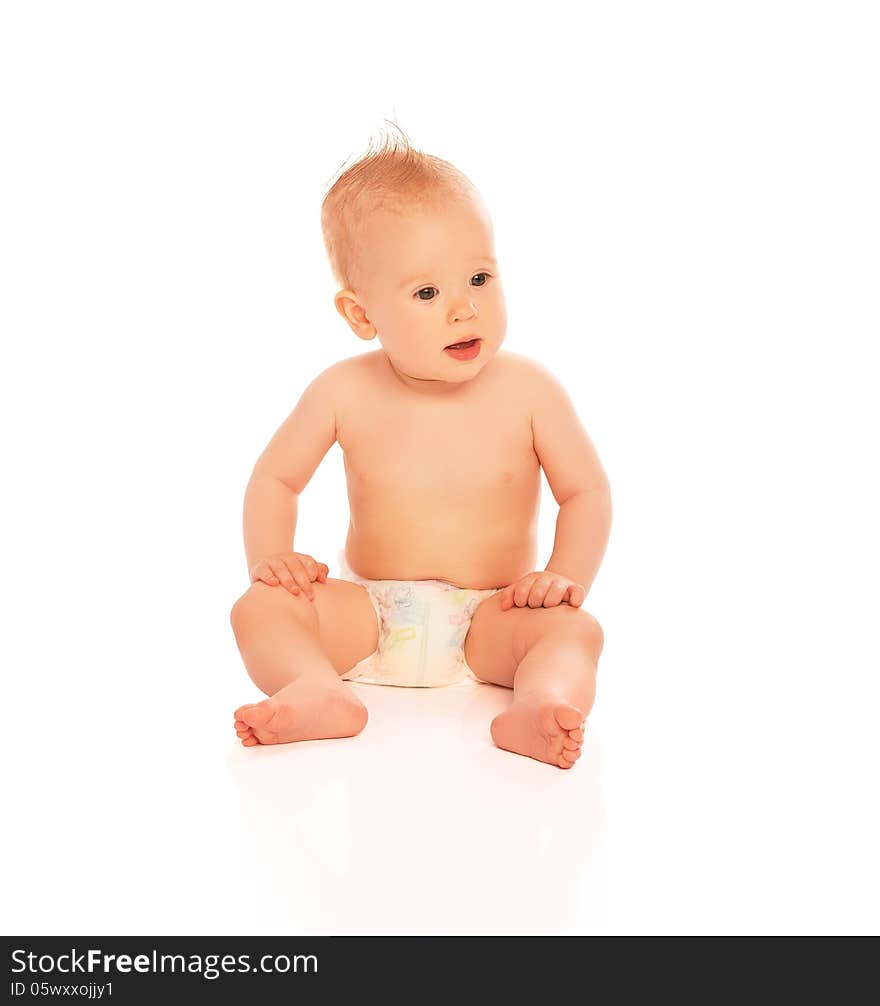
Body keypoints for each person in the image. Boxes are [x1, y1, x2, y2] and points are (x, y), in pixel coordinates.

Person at [230, 125, 612, 769]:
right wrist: (274, 562)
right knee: (258, 610)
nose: (464, 309)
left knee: (574, 631)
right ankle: (315, 686)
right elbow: (274, 480)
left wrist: (563, 577)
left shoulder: (530, 389)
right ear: (361, 315)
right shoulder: (342, 390)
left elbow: (586, 491)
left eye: (480, 278)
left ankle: (539, 703)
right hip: (369, 615)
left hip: (496, 614)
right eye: (428, 293)